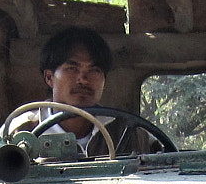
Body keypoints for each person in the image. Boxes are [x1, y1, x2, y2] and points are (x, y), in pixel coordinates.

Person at [15, 26, 164, 155]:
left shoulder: (131, 134)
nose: (84, 79)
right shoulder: (20, 132)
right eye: (72, 68)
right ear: (49, 77)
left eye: (94, 70)